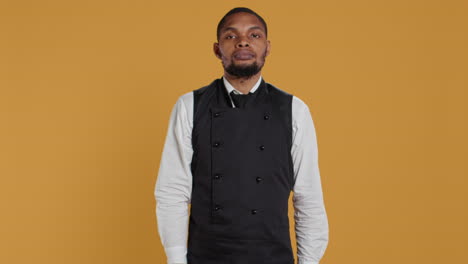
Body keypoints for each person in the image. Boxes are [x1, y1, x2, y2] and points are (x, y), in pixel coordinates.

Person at [154, 7, 329, 264]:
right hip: (207, 256)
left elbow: (308, 196)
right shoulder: (190, 106)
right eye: (231, 36)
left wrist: (309, 262)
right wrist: (176, 260)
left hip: (273, 256)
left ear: (268, 48)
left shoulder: (295, 110)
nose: (243, 41)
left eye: (254, 35)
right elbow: (172, 192)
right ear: (217, 49)